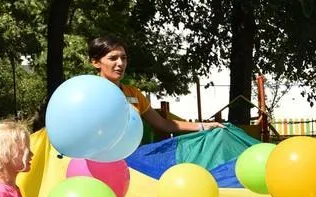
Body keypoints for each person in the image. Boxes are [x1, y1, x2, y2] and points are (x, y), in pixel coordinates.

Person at [88, 35, 222, 135]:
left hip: (127, 163)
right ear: (96, 62)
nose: (121, 63)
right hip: (91, 163)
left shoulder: (134, 94)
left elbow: (163, 124)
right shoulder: (87, 94)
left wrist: (203, 126)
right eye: (113, 58)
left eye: (124, 58)